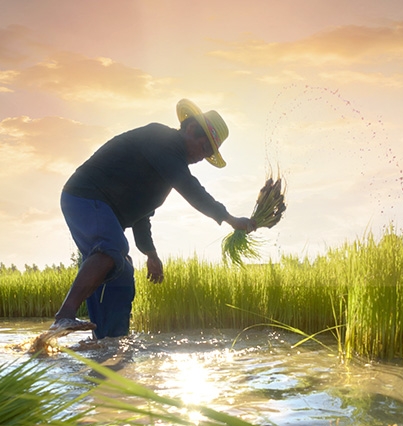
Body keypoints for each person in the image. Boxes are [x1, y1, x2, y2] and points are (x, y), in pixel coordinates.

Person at [48, 98, 257, 338]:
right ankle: (64, 315)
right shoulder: (161, 139)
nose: (204, 157)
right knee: (112, 247)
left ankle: (107, 343)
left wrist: (150, 253)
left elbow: (142, 214)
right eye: (204, 148)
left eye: (210, 153)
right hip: (85, 197)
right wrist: (229, 218)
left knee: (121, 274)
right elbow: (190, 188)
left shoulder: (165, 169)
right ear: (190, 130)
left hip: (99, 211)